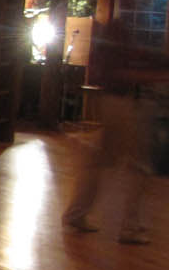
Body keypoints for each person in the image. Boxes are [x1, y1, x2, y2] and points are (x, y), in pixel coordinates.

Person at [63, 17, 169, 245]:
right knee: (139, 166)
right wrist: (156, 76)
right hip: (120, 104)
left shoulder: (117, 35)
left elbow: (127, 64)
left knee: (101, 161)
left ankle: (76, 214)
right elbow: (121, 73)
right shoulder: (117, 35)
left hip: (115, 102)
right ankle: (130, 227)